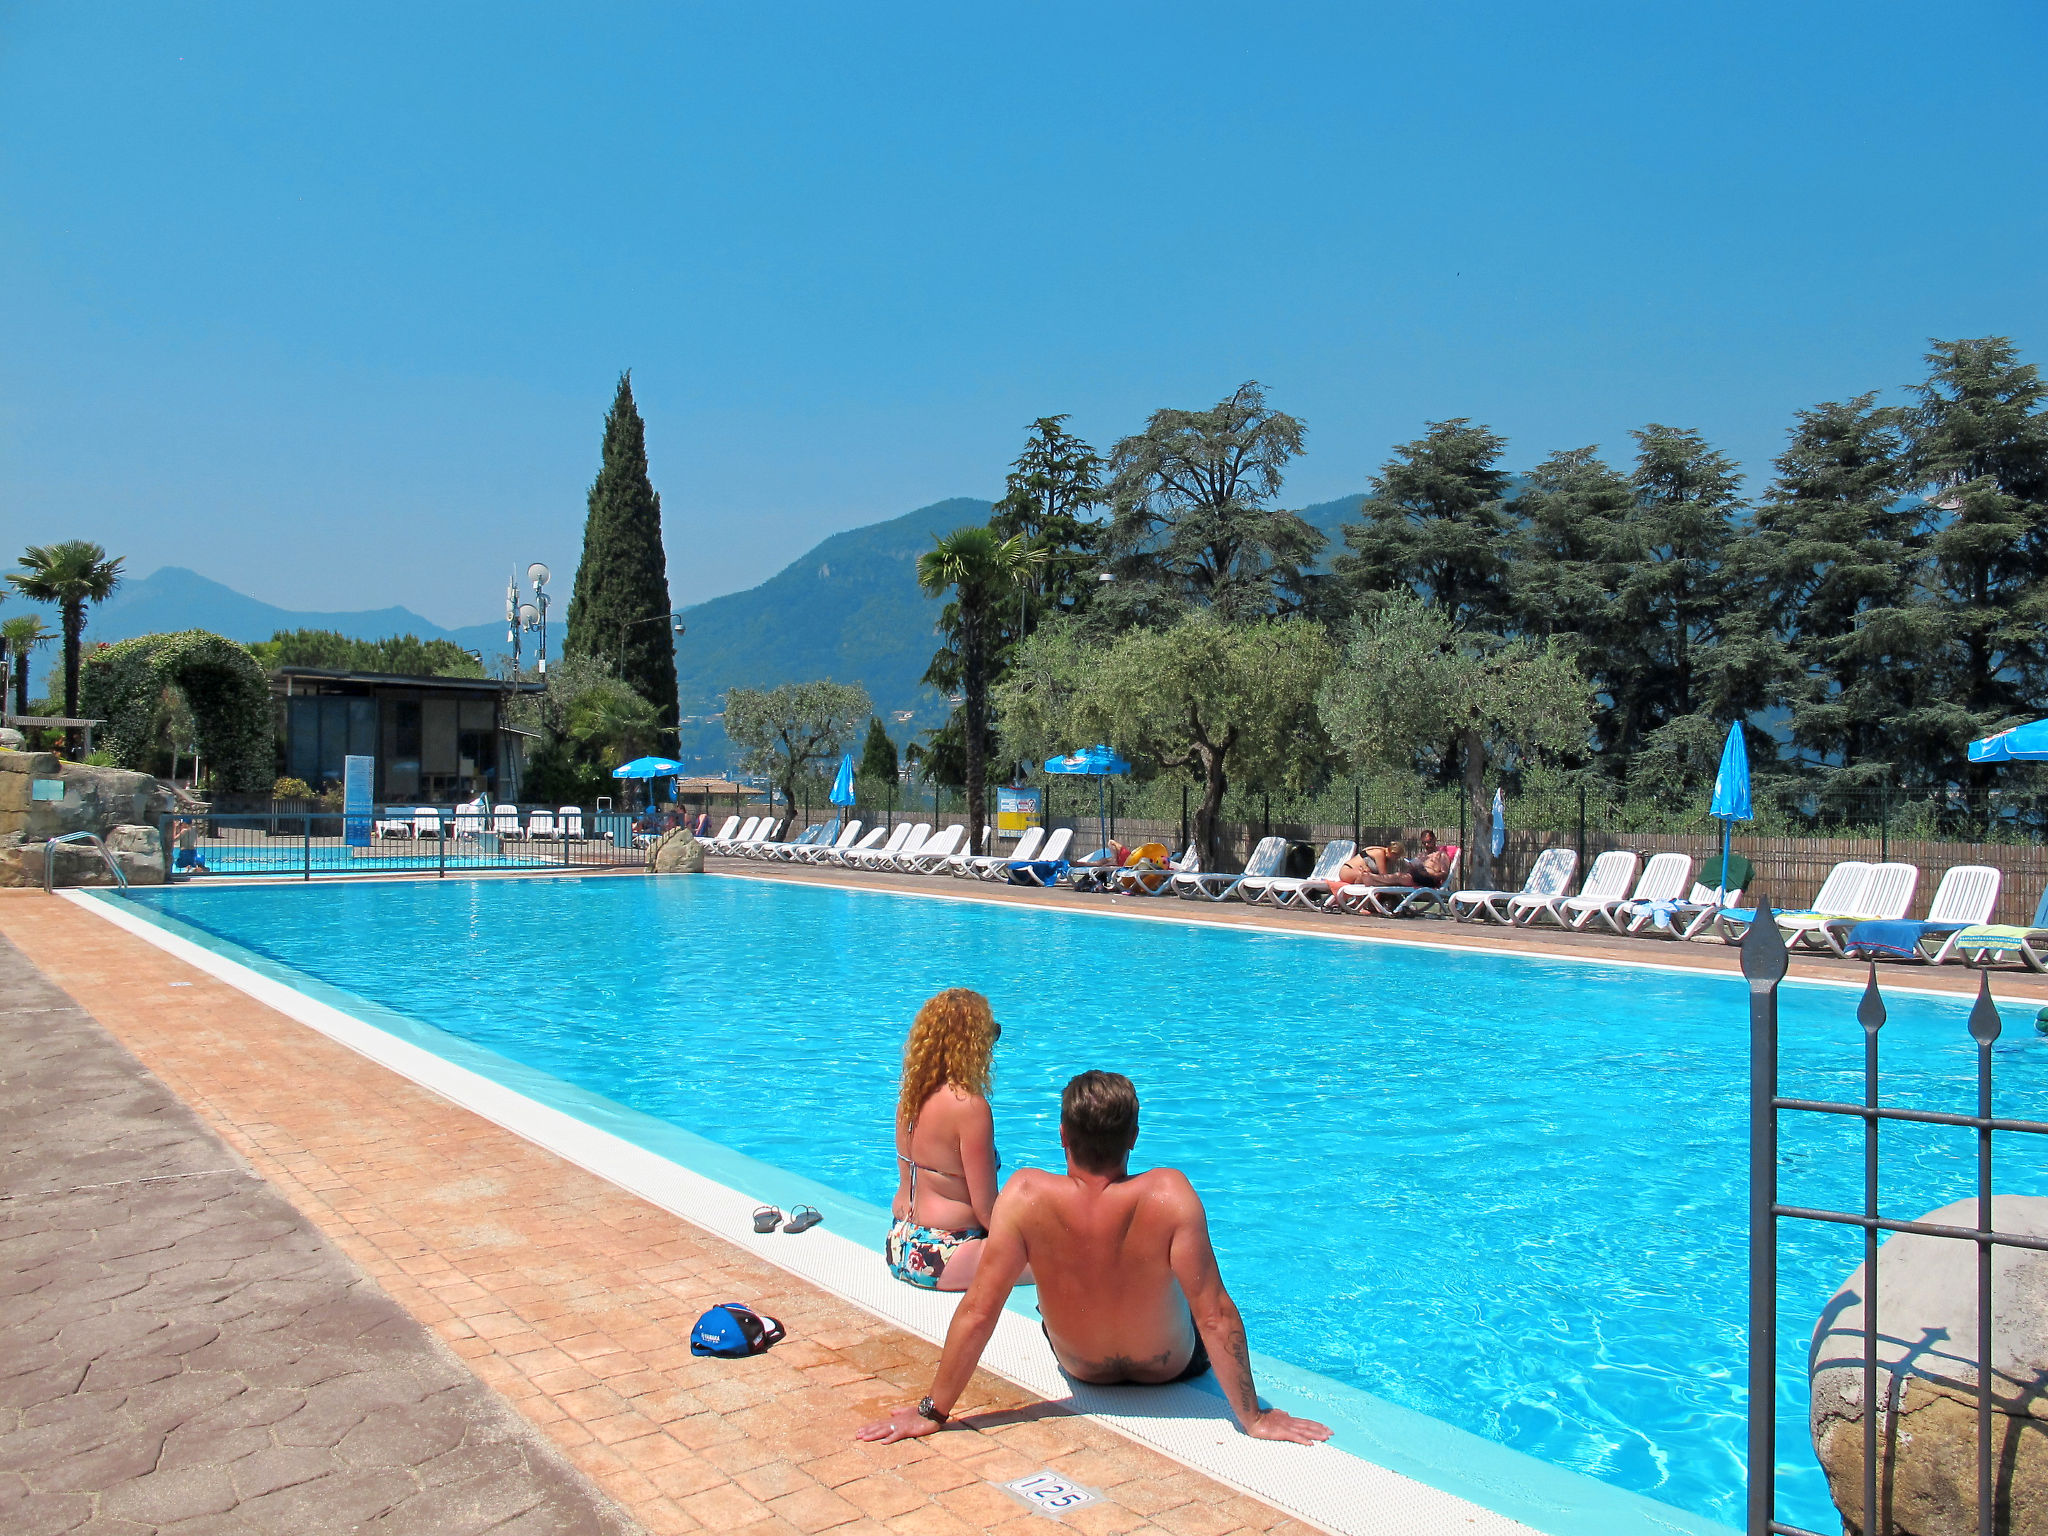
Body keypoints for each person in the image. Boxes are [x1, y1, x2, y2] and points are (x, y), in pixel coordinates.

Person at [857, 1071, 1332, 1447]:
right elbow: (1215, 1313)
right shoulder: (1169, 1194)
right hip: (1170, 1366)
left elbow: (980, 1311)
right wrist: (1254, 1417)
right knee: (1189, 1292)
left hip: (1081, 1366)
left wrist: (932, 1413)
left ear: (1062, 1135)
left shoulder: (1025, 1196)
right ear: (1133, 1138)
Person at [887, 989, 1005, 1292]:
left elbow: (904, 1192)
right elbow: (986, 1211)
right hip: (949, 1254)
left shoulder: (909, 1100)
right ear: (972, 1044)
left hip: (901, 1244)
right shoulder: (970, 1108)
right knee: (1058, 1259)